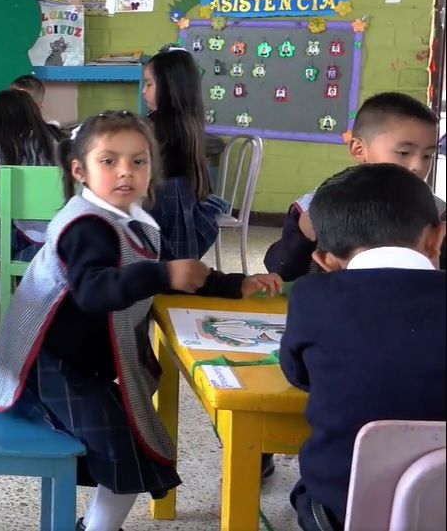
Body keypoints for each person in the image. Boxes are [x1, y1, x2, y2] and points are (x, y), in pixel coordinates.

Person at [0, 111, 281, 531]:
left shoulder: (133, 221)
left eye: (139, 161)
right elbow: (94, 290)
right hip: (44, 366)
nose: (125, 171)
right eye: (109, 161)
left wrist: (235, 284)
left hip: (84, 365)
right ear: (79, 171)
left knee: (132, 448)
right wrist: (163, 275)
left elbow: (176, 273)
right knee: (124, 451)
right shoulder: (85, 225)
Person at [280, 163, 446, 531]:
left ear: (324, 261)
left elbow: (298, 374)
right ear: (437, 239)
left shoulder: (310, 297)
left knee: (307, 489)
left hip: (341, 512)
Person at [265, 91, 444, 280]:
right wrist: (303, 236)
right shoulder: (314, 206)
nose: (418, 165)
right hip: (331, 298)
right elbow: (280, 271)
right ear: (359, 149)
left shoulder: (438, 212)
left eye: (427, 156)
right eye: (404, 152)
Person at [0, 89, 60, 290]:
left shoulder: (2, 150)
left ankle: (10, 304)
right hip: (69, 229)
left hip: (30, 234)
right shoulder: (59, 141)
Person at [142, 47, 228, 260]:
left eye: (149, 84)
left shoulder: (153, 125)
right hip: (187, 203)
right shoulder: (189, 120)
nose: (144, 91)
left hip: (162, 205)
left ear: (170, 87)